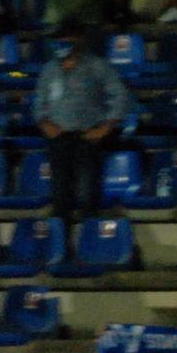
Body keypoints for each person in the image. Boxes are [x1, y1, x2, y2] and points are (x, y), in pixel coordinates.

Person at [33, 21, 132, 227]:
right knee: (59, 195)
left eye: (68, 38)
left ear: (80, 39)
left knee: (87, 194)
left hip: (87, 136)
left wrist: (106, 127)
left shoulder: (97, 66)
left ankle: (90, 241)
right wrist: (44, 122)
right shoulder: (50, 69)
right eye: (60, 39)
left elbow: (120, 95)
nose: (63, 43)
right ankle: (61, 244)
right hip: (59, 137)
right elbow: (39, 101)